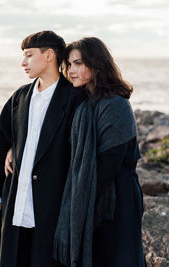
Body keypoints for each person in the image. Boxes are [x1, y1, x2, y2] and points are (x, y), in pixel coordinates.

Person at [0, 31, 86, 267]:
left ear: (49, 55)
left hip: (52, 204)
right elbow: (0, 143)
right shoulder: (19, 97)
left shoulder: (75, 99)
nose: (23, 62)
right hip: (15, 201)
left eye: (29, 55)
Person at [52, 37, 145, 267]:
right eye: (69, 65)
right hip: (93, 197)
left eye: (78, 63)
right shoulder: (83, 105)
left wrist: (79, 201)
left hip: (117, 200)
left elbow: (107, 165)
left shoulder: (116, 106)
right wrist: (12, 148)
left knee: (119, 258)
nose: (71, 71)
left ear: (96, 65)